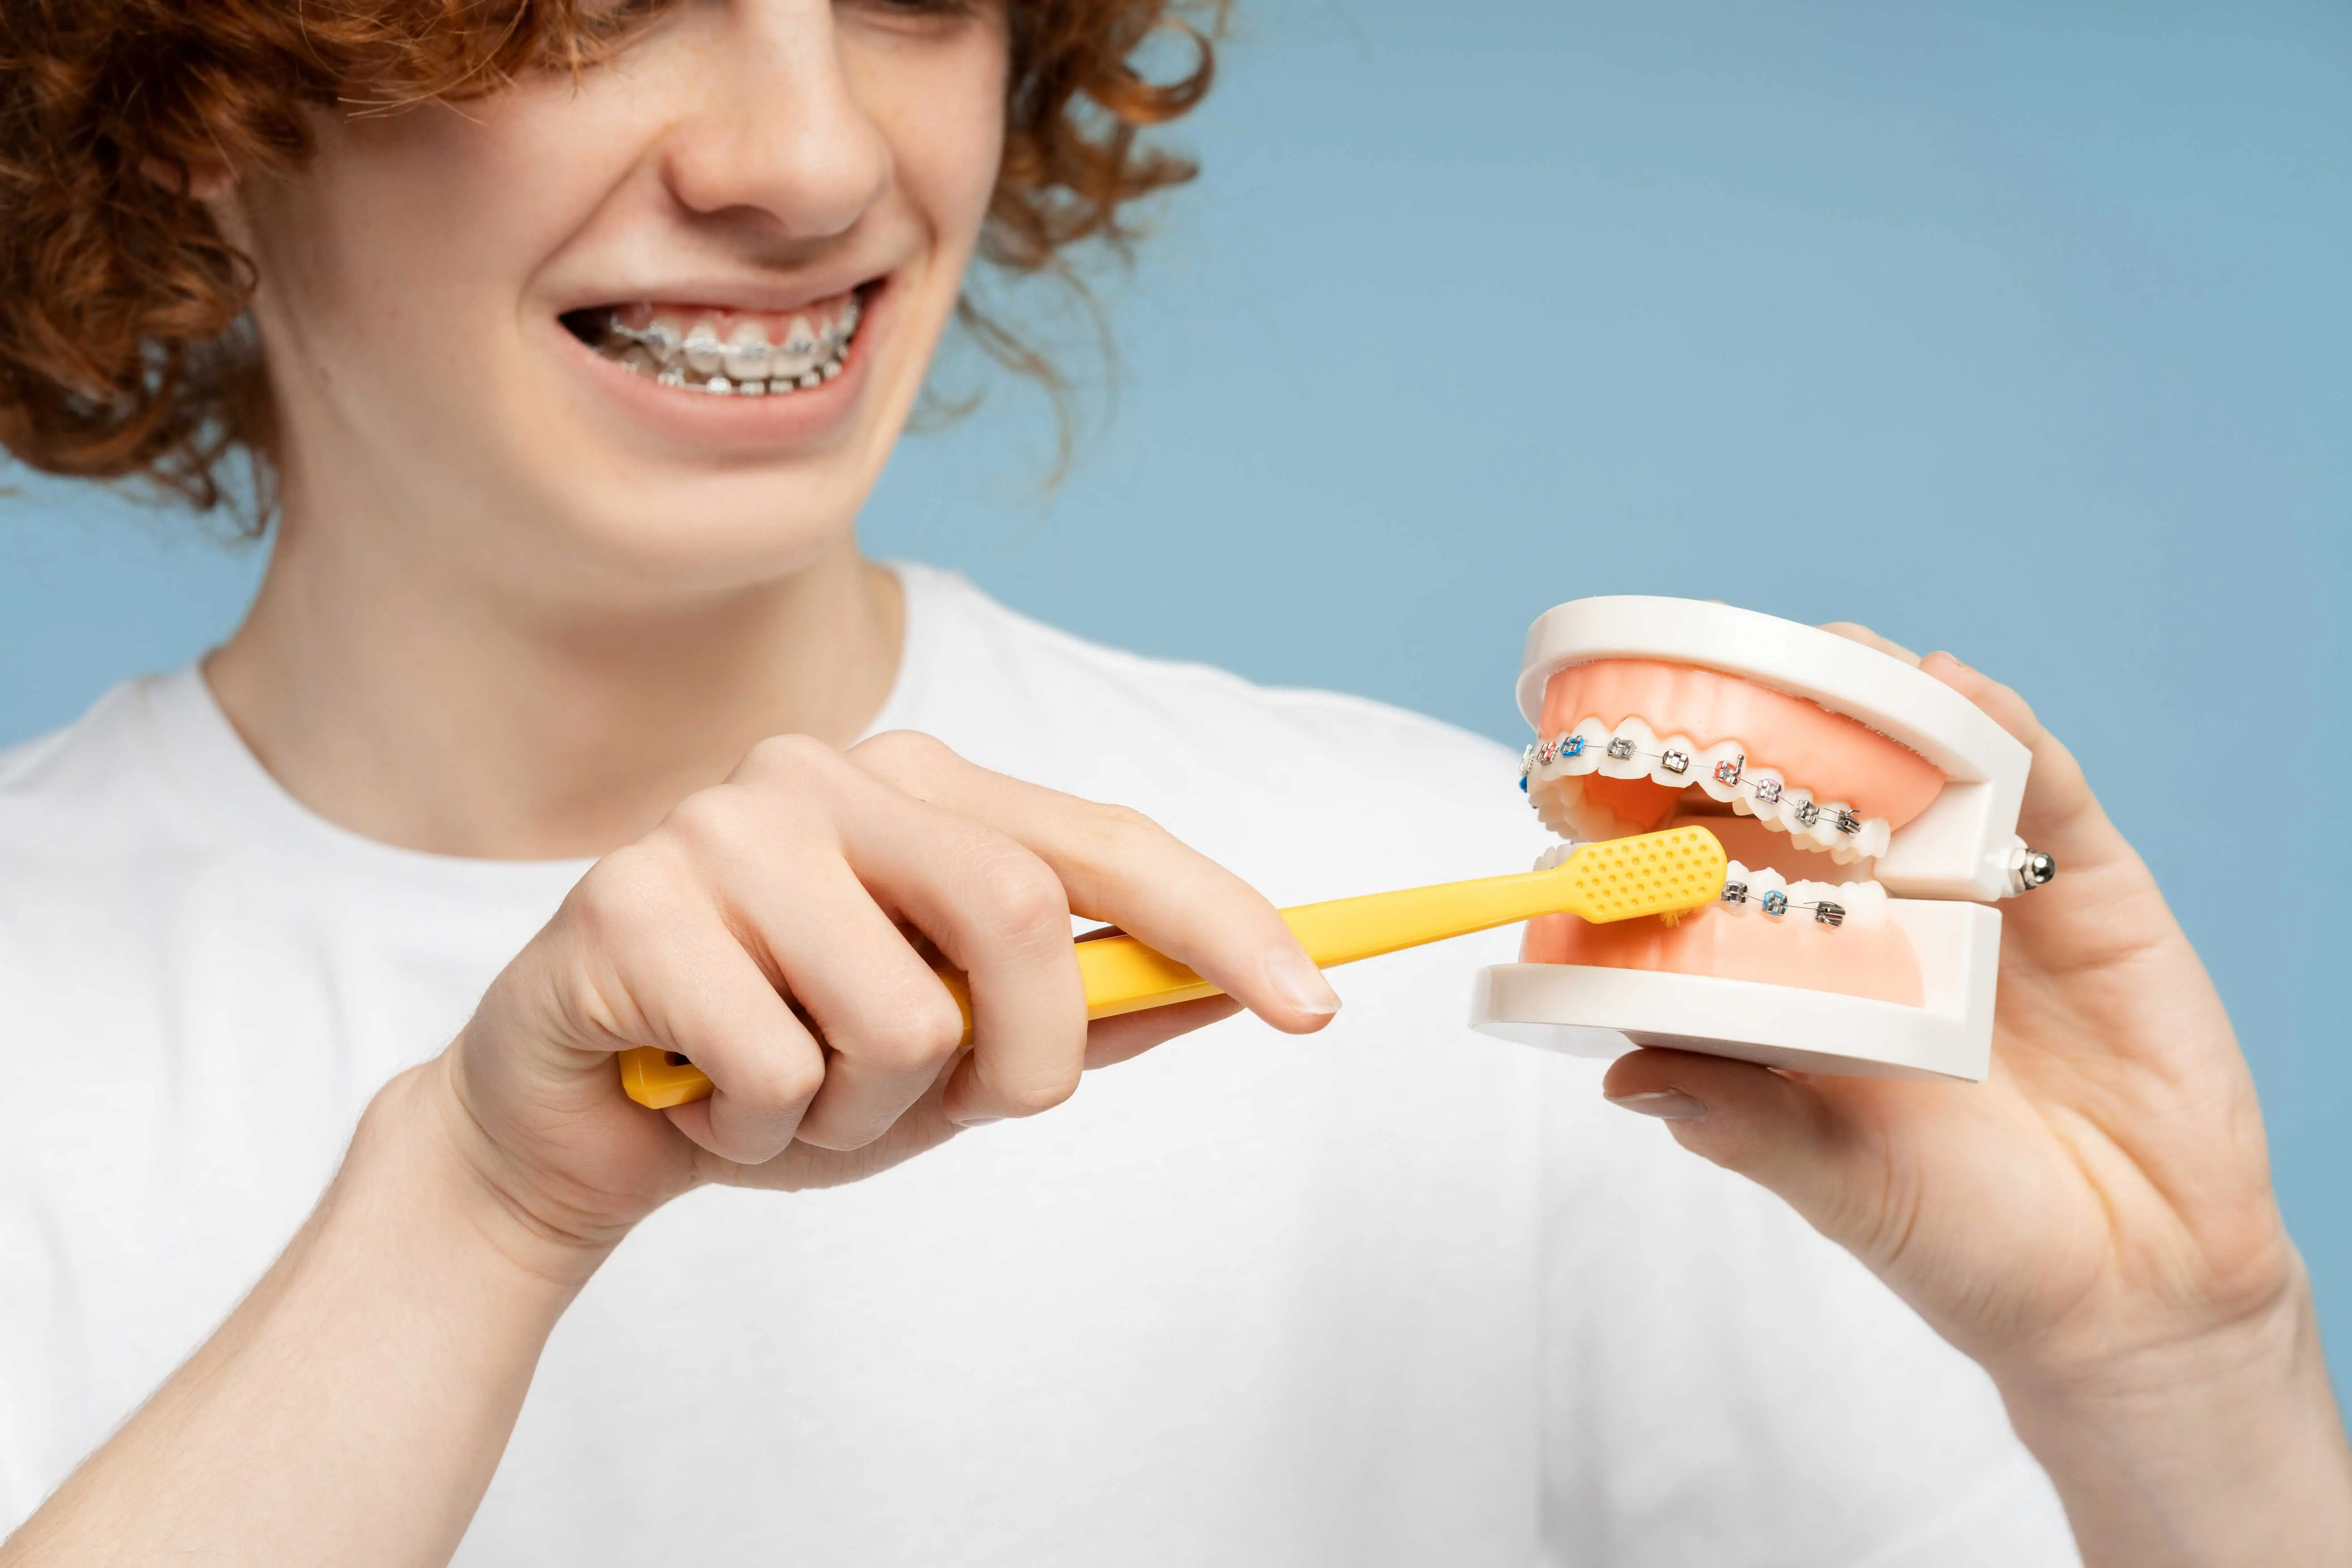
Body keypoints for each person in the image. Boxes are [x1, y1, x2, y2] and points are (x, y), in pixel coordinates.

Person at [0, 1, 2343, 1562]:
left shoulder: (1548, 962)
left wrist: (2181, 1379)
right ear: (177, 104)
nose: (811, 163)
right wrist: (472, 1199)